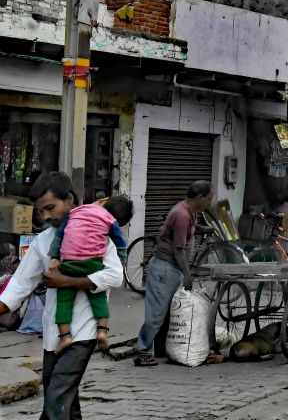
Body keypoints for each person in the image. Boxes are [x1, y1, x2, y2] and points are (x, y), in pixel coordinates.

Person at [0, 172, 123, 420]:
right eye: (40, 212)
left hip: (84, 332)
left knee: (56, 401)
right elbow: (20, 285)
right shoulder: (43, 241)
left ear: (68, 200)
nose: (46, 217)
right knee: (64, 400)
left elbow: (115, 276)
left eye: (50, 208)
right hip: (53, 334)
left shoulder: (97, 235)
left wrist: (66, 281)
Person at [133, 180, 213, 367]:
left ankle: (160, 350)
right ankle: (142, 352)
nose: (210, 203)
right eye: (208, 199)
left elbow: (186, 231)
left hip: (170, 268)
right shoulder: (182, 214)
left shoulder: (189, 211)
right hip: (165, 268)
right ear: (199, 198)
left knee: (168, 312)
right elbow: (178, 249)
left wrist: (202, 229)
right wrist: (187, 275)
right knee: (156, 315)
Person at [46, 196, 132, 354]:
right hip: (92, 264)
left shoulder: (74, 212)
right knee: (99, 297)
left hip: (69, 264)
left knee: (63, 301)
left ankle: (65, 337)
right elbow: (120, 243)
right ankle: (102, 332)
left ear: (103, 200)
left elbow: (59, 235)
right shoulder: (109, 221)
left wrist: (54, 258)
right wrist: (121, 261)